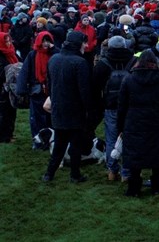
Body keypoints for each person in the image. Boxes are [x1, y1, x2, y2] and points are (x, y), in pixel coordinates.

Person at [117, 50, 159, 196]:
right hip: (156, 120)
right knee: (156, 154)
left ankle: (134, 189)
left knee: (135, 155)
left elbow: (122, 106)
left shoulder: (129, 79)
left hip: (134, 121)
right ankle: (157, 186)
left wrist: (120, 126)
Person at [41, 31, 91, 183]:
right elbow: (84, 90)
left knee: (60, 144)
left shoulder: (54, 59)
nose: (86, 46)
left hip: (58, 107)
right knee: (75, 144)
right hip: (74, 109)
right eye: (84, 43)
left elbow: (49, 84)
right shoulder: (80, 63)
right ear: (77, 44)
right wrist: (89, 109)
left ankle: (49, 174)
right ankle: (75, 175)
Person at [92, 35, 134, 180]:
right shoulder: (133, 60)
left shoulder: (103, 63)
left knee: (111, 138)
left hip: (110, 104)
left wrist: (99, 103)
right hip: (130, 105)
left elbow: (95, 86)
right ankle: (127, 172)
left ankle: (112, 170)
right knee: (129, 137)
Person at [16, 31, 57, 148]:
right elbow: (25, 72)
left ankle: (51, 141)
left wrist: (54, 49)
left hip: (51, 91)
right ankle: (38, 142)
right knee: (37, 118)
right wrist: (21, 90)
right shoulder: (32, 55)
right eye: (43, 41)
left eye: (48, 41)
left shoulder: (54, 54)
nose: (45, 43)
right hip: (37, 91)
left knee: (51, 118)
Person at [0, 31, 20, 143]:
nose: (8, 42)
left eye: (8, 40)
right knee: (4, 113)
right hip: (3, 88)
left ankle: (9, 133)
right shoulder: (2, 56)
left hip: (11, 87)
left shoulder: (11, 52)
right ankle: (4, 136)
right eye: (6, 41)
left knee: (11, 111)